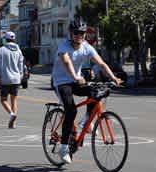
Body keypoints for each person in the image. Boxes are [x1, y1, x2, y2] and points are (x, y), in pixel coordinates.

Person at [52, 18, 122, 164]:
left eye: (82, 33)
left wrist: (113, 77)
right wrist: (75, 77)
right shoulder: (64, 47)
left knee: (97, 92)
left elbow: (101, 63)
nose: (80, 36)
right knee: (71, 110)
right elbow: (67, 62)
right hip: (61, 82)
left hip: (76, 81)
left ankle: (86, 122)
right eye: (76, 33)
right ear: (71, 34)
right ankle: (64, 148)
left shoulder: (86, 47)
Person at [0, 31, 24, 129]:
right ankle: (13, 123)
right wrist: (20, 76)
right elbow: (21, 65)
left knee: (3, 100)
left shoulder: (1, 50)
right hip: (16, 79)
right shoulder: (18, 50)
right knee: (14, 100)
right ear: (14, 39)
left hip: (5, 78)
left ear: (5, 39)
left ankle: (12, 114)